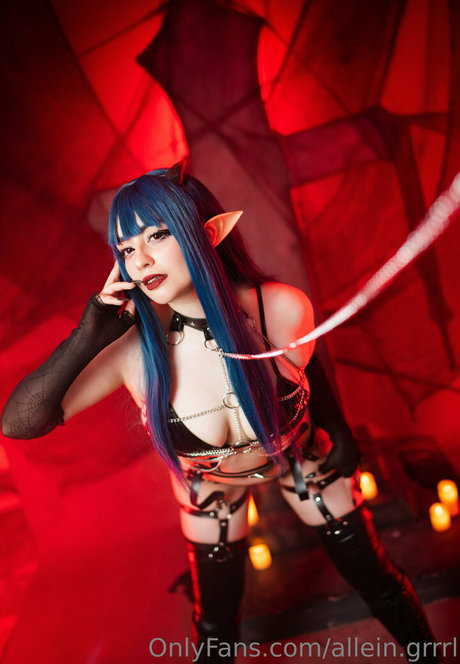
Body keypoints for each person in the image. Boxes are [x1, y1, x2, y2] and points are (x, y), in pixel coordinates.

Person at [1, 165, 440, 663]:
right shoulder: (133, 351)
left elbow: (306, 361)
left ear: (209, 233)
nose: (140, 261)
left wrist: (336, 427)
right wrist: (87, 334)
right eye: (125, 249)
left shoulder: (280, 308)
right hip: (210, 489)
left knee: (379, 582)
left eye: (157, 235)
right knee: (215, 629)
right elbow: (18, 423)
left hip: (300, 458)